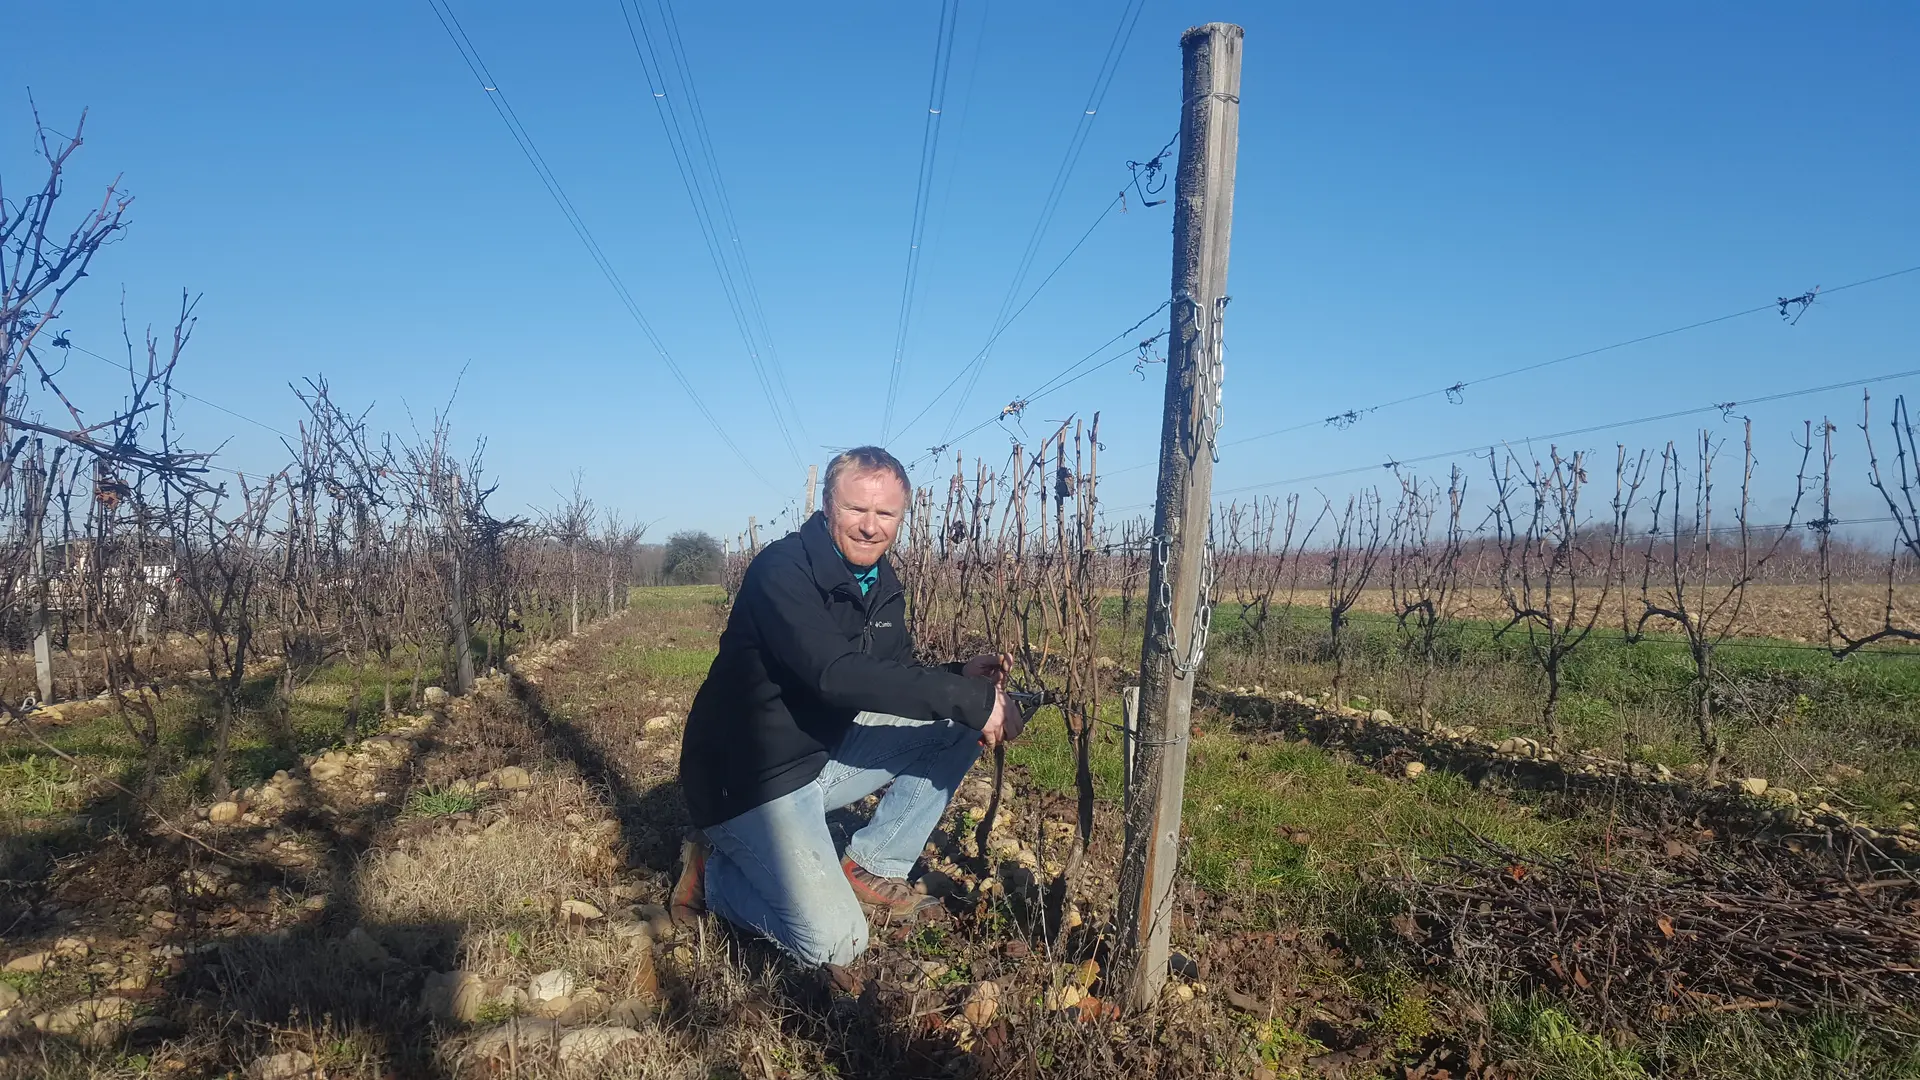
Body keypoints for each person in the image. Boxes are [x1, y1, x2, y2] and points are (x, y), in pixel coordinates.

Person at [671, 445, 1020, 967]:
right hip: (748, 780)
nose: (870, 527)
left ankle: (873, 864)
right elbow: (832, 674)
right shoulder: (781, 570)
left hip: (819, 756)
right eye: (856, 509)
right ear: (827, 506)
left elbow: (893, 673)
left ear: (902, 517)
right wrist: (971, 698)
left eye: (886, 514)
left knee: (952, 721)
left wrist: (957, 680)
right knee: (836, 944)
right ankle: (714, 876)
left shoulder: (882, 582)